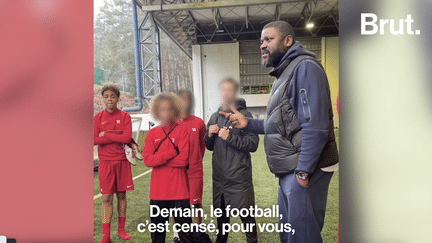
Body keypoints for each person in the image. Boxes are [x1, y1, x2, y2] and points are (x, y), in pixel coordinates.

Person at [221, 21, 339, 243]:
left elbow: (315, 125)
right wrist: (248, 123)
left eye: (269, 39)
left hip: (303, 168)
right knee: (289, 235)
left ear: (288, 41)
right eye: (261, 41)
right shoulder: (283, 74)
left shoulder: (304, 68)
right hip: (289, 168)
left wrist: (303, 171)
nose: (262, 45)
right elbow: (281, 124)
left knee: (302, 236)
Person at [205, 78, 259, 243]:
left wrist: (230, 138)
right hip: (220, 179)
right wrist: (209, 135)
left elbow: (253, 144)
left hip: (239, 178)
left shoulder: (245, 115)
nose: (225, 93)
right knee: (221, 224)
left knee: (247, 221)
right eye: (222, 90)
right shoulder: (215, 116)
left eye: (229, 90)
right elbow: (209, 146)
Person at [143, 92, 194, 243]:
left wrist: (158, 159)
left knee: (186, 236)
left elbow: (183, 160)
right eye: (162, 109)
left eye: (169, 109)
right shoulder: (152, 134)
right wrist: (171, 153)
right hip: (158, 193)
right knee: (157, 237)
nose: (165, 113)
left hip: (179, 192)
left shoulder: (182, 130)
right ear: (156, 111)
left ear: (175, 110)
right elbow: (147, 160)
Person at [169, 90, 212, 243]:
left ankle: (198, 231)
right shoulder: (171, 123)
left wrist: (194, 161)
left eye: (187, 100)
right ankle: (177, 235)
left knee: (195, 202)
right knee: (176, 204)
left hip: (194, 171)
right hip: (176, 173)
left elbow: (202, 147)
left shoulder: (199, 123)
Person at [94, 84, 134, 243]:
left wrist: (107, 135)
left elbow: (126, 138)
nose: (109, 99)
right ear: (103, 99)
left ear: (117, 98)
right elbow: (93, 139)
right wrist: (117, 135)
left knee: (122, 195)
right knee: (106, 199)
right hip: (105, 163)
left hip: (122, 162)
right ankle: (106, 235)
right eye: (106, 96)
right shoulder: (98, 117)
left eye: (112, 96)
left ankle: (121, 230)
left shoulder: (125, 117)